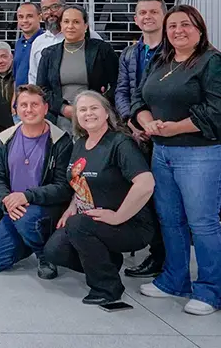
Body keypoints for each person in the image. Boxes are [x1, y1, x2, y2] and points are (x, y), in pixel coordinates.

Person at [131, 5, 221, 316]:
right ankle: (174, 280)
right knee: (169, 218)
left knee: (201, 222)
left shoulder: (215, 63)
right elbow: (139, 97)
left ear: (200, 29)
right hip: (163, 150)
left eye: (186, 25)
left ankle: (209, 290)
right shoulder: (161, 60)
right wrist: (148, 122)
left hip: (203, 152)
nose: (178, 30)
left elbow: (218, 113)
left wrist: (173, 128)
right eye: (172, 26)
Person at [43, 91, 156, 305]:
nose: (88, 113)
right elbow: (80, 181)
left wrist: (118, 216)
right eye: (82, 110)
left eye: (94, 108)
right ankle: (108, 261)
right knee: (53, 251)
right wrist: (72, 206)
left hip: (130, 224)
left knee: (77, 225)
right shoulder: (80, 143)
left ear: (106, 113)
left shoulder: (120, 143)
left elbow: (146, 183)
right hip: (93, 220)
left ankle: (108, 288)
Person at [0, 84, 73, 279]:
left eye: (35, 104)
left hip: (45, 207)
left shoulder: (61, 141)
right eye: (23, 105)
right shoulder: (4, 139)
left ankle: (45, 253)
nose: (29, 109)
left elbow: (63, 187)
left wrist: (26, 196)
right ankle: (29, 238)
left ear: (45, 108)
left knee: (26, 218)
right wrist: (6, 200)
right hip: (13, 207)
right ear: (16, 109)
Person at [116, 0, 167, 279]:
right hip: (136, 133)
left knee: (163, 199)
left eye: (153, 12)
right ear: (135, 19)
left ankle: (163, 257)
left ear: (164, 16)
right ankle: (153, 250)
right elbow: (122, 91)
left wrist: (153, 125)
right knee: (142, 195)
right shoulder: (129, 53)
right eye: (142, 13)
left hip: (165, 132)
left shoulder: (173, 51)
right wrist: (130, 122)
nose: (147, 17)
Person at [35, 5, 119, 133]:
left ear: (85, 26)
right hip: (59, 117)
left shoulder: (102, 50)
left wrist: (99, 104)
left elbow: (117, 83)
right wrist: (63, 108)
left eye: (76, 22)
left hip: (94, 116)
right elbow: (42, 88)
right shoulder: (49, 54)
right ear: (61, 25)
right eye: (66, 21)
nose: (70, 26)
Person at [27, 0, 103, 86]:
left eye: (55, 7)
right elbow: (33, 77)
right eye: (45, 9)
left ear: (65, 8)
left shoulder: (86, 34)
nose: (50, 12)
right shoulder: (38, 42)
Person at [13, 2, 44, 87]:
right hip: (20, 94)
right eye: (21, 17)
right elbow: (16, 76)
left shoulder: (45, 42)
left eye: (29, 16)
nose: (25, 20)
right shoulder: (19, 43)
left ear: (40, 17)